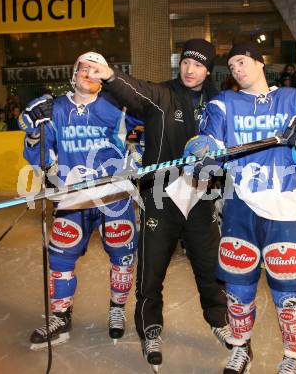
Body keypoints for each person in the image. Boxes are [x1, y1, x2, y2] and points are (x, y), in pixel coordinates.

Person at [184, 42, 296, 374]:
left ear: (259, 63)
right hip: (239, 208)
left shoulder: (295, 100)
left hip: (285, 211)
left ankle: (293, 355)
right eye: (231, 66)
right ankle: (241, 350)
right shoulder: (224, 103)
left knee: (289, 291)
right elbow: (206, 143)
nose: (237, 70)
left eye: (242, 62)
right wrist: (202, 153)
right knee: (239, 290)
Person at [81, 39, 231, 372]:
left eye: (198, 65)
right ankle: (151, 328)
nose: (190, 70)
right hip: (161, 198)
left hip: (201, 199)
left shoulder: (218, 103)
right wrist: (109, 75)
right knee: (151, 273)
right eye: (186, 63)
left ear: (208, 69)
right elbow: (133, 91)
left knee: (210, 269)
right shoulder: (162, 96)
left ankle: (220, 320)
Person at [18, 52, 138, 349]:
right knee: (60, 258)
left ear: (104, 76)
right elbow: (37, 155)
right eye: (84, 68)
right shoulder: (55, 108)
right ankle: (61, 315)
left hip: (114, 196)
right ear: (74, 75)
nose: (89, 73)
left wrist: (141, 153)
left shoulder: (117, 105)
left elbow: (155, 117)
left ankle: (117, 310)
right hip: (72, 199)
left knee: (123, 257)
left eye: (96, 69)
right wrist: (33, 131)